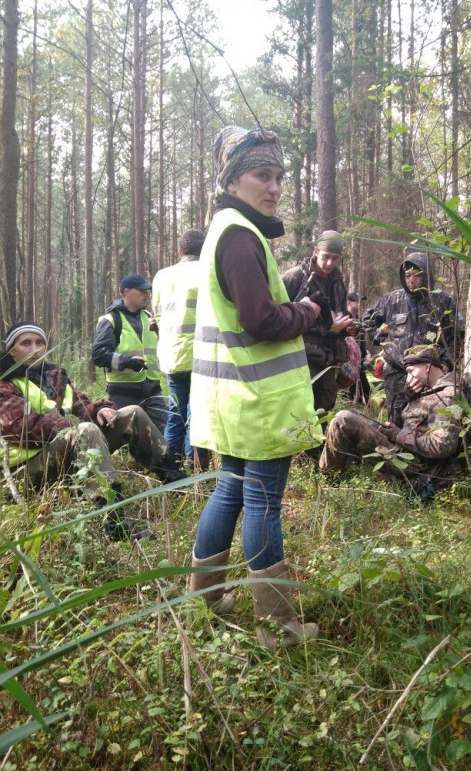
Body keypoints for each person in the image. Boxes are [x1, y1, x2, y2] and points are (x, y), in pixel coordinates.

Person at [188, 125, 322, 648]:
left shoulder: (226, 230)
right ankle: (279, 627)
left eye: (279, 177)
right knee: (263, 502)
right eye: (262, 175)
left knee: (230, 491)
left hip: (233, 401)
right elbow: (260, 320)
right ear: (233, 181)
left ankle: (205, 598)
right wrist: (306, 312)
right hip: (258, 403)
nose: (274, 187)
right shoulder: (240, 237)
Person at [0, 322, 184, 541]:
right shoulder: (5, 382)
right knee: (85, 430)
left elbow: (80, 405)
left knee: (132, 413)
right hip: (26, 472)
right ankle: (112, 517)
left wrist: (99, 410)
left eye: (40, 343)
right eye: (26, 343)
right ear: (12, 350)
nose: (35, 349)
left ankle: (176, 480)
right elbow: (20, 428)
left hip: (63, 457)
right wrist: (72, 425)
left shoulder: (53, 376)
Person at [319, 345, 462, 501]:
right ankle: (341, 479)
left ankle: (327, 484)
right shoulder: (430, 388)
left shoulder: (448, 395)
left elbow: (442, 446)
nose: (408, 379)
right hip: (406, 453)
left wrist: (400, 435)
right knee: (353, 415)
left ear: (427, 367)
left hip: (414, 465)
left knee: (343, 420)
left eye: (411, 372)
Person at [363, 252, 462, 424]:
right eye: (407, 275)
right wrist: (382, 341)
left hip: (429, 373)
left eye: (417, 275)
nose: (411, 280)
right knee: (396, 421)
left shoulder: (443, 301)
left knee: (427, 421)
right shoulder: (392, 300)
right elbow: (368, 320)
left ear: (427, 275)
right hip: (396, 373)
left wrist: (444, 366)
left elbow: (456, 338)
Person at [152, 228, 209, 468]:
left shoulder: (162, 277)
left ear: (180, 250)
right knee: (198, 414)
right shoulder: (207, 272)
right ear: (204, 249)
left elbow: (156, 316)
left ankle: (170, 468)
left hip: (172, 358)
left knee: (176, 413)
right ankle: (194, 468)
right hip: (201, 357)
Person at [282, 232, 356, 414]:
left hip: (328, 361)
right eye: (326, 257)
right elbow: (280, 318)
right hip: (300, 360)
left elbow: (339, 314)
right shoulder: (294, 278)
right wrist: (327, 328)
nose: (330, 263)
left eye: (335, 258)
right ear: (316, 251)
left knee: (324, 413)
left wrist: (347, 329)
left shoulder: (338, 281)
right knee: (298, 415)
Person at [92, 274, 167, 434]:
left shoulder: (148, 318)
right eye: (142, 291)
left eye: (148, 291)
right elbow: (99, 355)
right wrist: (127, 361)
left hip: (153, 389)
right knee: (124, 438)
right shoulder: (111, 320)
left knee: (164, 434)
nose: (147, 295)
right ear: (126, 292)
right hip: (124, 392)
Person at [346, 292, 371, 404]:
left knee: (366, 391)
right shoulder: (345, 318)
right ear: (349, 303)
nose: (361, 304)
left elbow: (361, 341)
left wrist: (365, 353)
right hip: (348, 360)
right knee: (349, 390)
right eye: (358, 301)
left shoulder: (360, 319)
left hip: (360, 361)